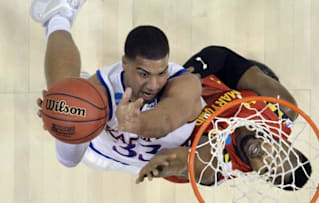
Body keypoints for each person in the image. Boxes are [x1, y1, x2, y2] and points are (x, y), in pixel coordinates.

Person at [32, 0, 202, 172]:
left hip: (156, 164)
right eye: (144, 74)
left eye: (161, 73)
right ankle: (57, 17)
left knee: (202, 165)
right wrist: (58, 113)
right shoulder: (104, 87)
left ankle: (78, 88)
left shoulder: (185, 84)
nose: (154, 84)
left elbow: (166, 120)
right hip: (98, 153)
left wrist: (137, 123)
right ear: (125, 63)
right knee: (67, 150)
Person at [136, 46, 312, 191]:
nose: (262, 156)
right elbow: (222, 58)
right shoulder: (281, 109)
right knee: (257, 75)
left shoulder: (219, 165)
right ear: (286, 143)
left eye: (266, 169)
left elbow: (187, 164)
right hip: (205, 91)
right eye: (275, 156)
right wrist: (190, 73)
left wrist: (164, 166)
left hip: (161, 129)